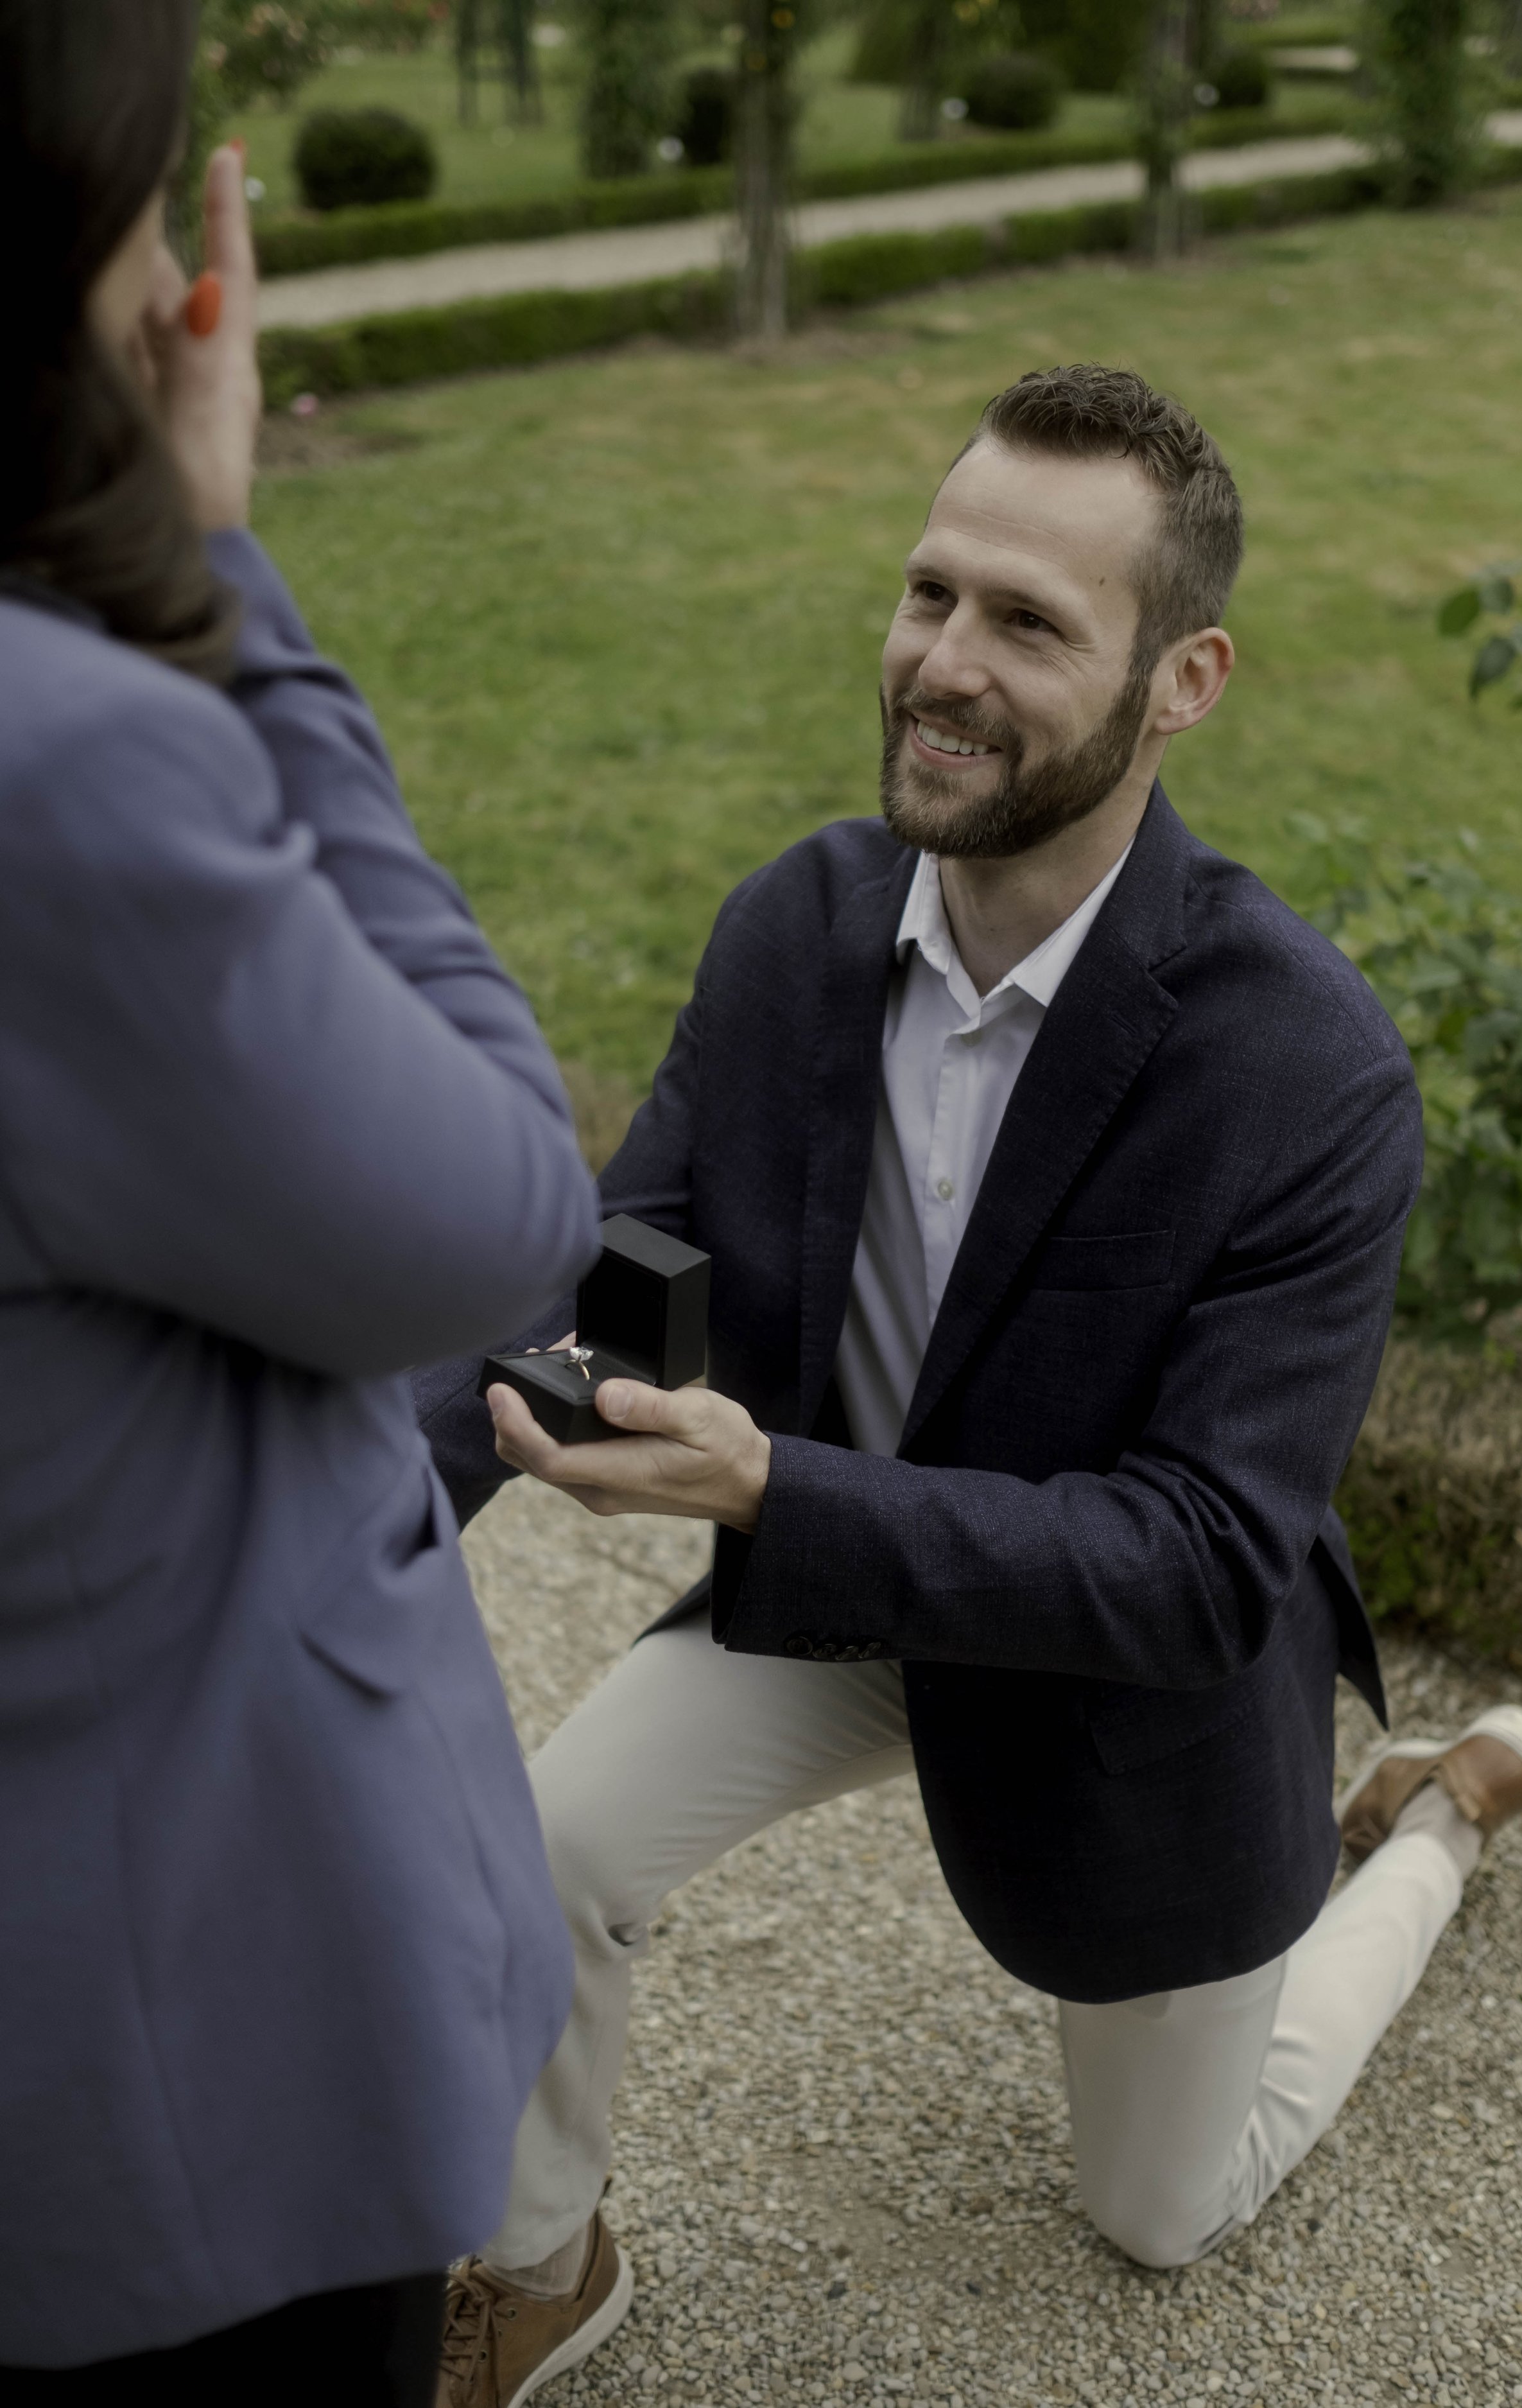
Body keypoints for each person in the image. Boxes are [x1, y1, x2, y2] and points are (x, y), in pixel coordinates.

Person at [416, 364, 1522, 2406]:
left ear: (1183, 676)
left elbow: (1205, 1566)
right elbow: (601, 1288)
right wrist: (343, 1518)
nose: (943, 666)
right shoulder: (795, 926)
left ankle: (1429, 1829)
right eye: (930, 592)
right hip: (841, 1582)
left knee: (1161, 2210)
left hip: (1116, 1683)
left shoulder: (1305, 1076)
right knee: (542, 1852)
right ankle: (535, 2268)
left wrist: (776, 1491)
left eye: (1029, 623)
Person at [0, 3, 600, 2395]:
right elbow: (498, 1212)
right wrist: (218, 580)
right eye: (146, 208)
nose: (173, 282)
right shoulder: (69, 783)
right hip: (166, 2102)